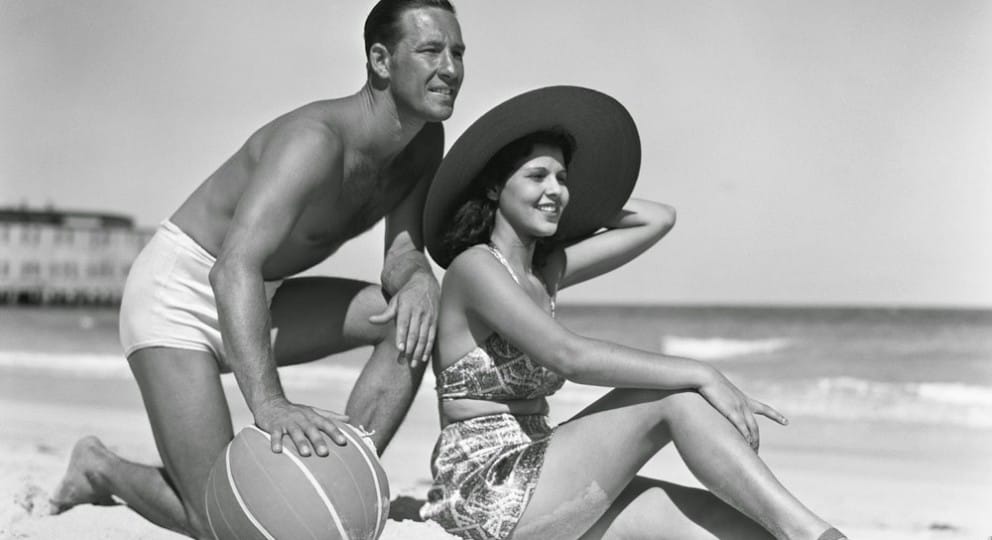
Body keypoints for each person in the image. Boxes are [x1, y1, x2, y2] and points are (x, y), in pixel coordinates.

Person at [49, 1, 464, 538]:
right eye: (432, 50)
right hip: (180, 294)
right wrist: (269, 405)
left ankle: (339, 478)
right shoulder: (314, 142)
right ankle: (99, 466)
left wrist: (419, 279)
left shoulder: (424, 142)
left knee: (406, 322)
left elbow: (402, 255)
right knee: (219, 520)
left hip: (257, 293)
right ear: (381, 61)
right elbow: (231, 268)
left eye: (457, 52)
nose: (451, 68)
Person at [418, 86, 846, 540]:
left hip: (543, 470)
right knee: (676, 394)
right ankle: (814, 536)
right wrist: (701, 372)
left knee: (717, 523)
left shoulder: (547, 272)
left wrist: (564, 205)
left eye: (562, 179)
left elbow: (657, 218)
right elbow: (570, 357)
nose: (554, 190)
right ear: (493, 185)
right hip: (485, 486)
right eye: (537, 176)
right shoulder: (475, 267)